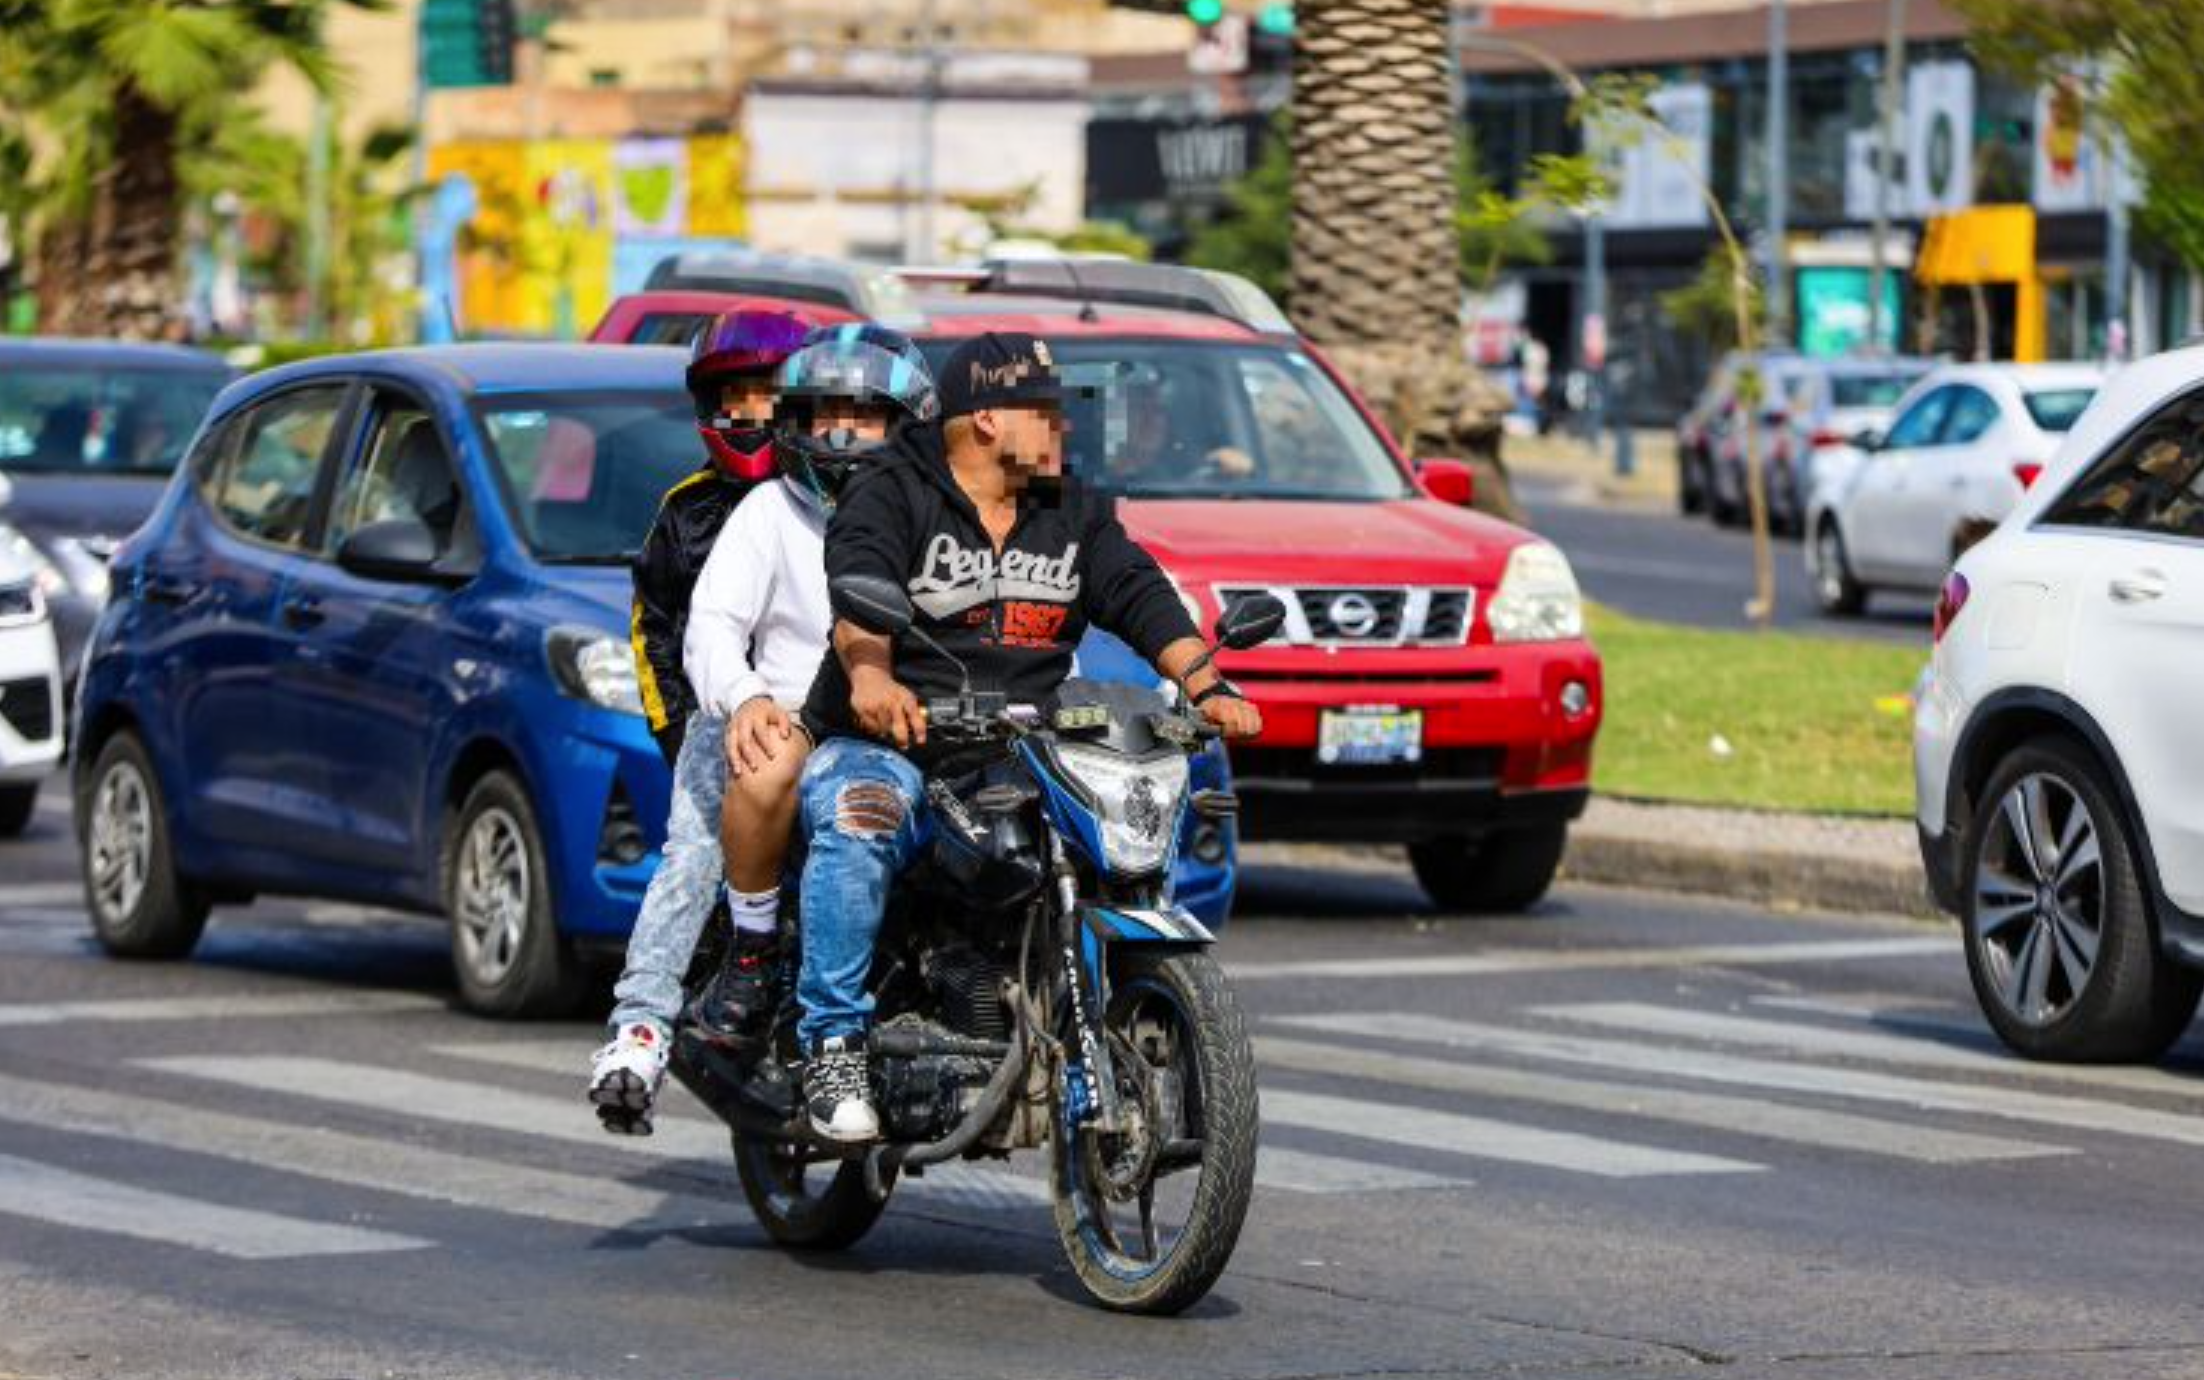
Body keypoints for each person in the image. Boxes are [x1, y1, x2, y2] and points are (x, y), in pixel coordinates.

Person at [791, 331, 1264, 1143]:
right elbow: (857, 601)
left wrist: (1205, 683)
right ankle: (830, 1042)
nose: (1061, 430)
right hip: (900, 739)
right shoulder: (891, 492)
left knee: (1110, 826)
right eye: (1044, 413)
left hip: (1022, 747)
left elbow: (1136, 589)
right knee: (859, 810)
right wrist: (872, 679)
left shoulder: (1070, 508)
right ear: (984, 421)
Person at [589, 323, 938, 1135]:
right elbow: (707, 625)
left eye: (867, 417)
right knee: (694, 847)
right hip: (777, 724)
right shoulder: (764, 510)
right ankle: (644, 1025)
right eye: (824, 417)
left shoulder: (943, 512)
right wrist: (744, 697)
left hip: (911, 729)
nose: (842, 436)